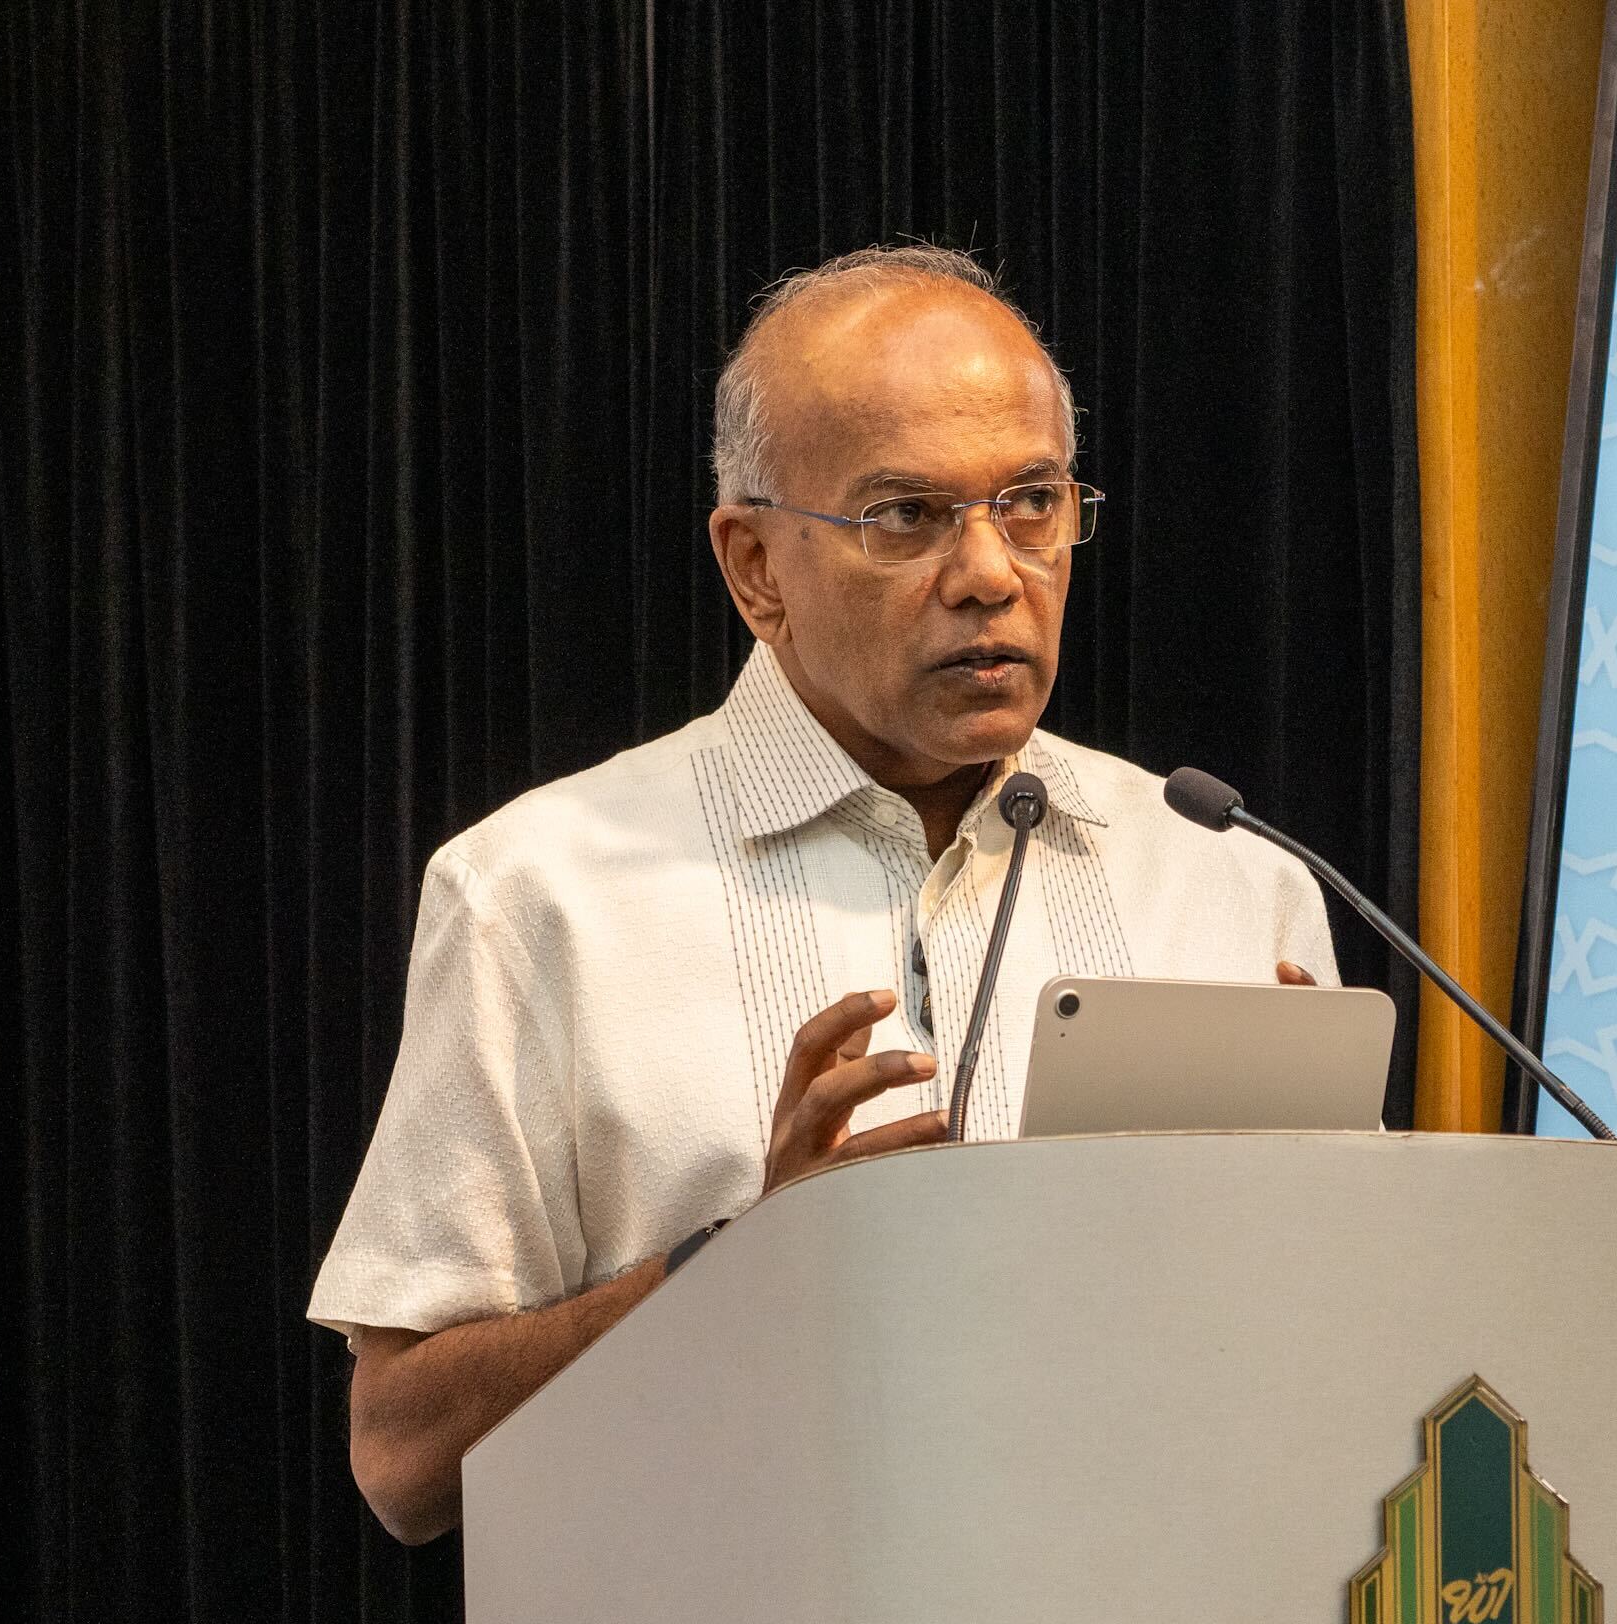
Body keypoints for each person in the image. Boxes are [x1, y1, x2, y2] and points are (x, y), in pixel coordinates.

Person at [312, 245, 1336, 1544]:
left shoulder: (1234, 879)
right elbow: (403, 1462)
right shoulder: (536, 894)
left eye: (1032, 502)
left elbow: (1331, 1372)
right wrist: (745, 1268)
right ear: (754, 567)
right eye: (905, 515)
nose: (992, 571)